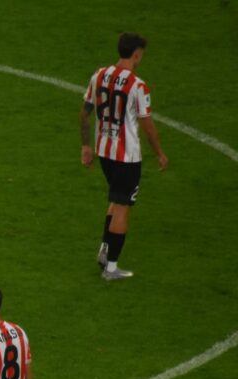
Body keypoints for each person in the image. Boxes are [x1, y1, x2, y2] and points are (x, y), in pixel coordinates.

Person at [80, 32, 168, 281]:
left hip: (104, 152)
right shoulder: (138, 86)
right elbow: (148, 125)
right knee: (122, 207)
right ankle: (111, 269)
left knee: (115, 199)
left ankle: (104, 250)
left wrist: (85, 146)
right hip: (127, 157)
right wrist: (160, 153)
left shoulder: (99, 75)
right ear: (137, 55)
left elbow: (84, 113)